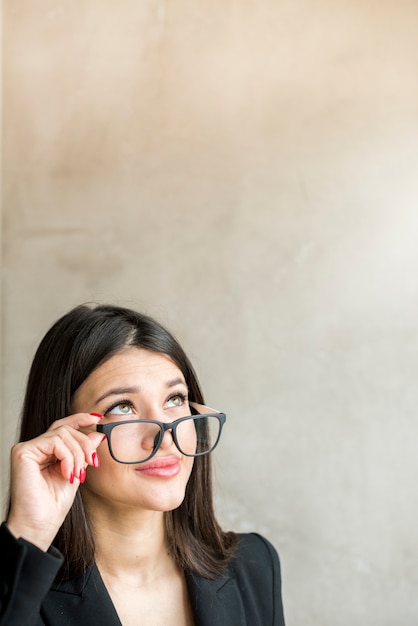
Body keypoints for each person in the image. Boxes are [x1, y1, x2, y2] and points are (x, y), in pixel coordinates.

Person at [0, 303, 285, 626]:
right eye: (123, 406)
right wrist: (29, 534)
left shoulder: (254, 564)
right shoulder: (22, 588)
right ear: (65, 431)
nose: (164, 436)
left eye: (174, 400)